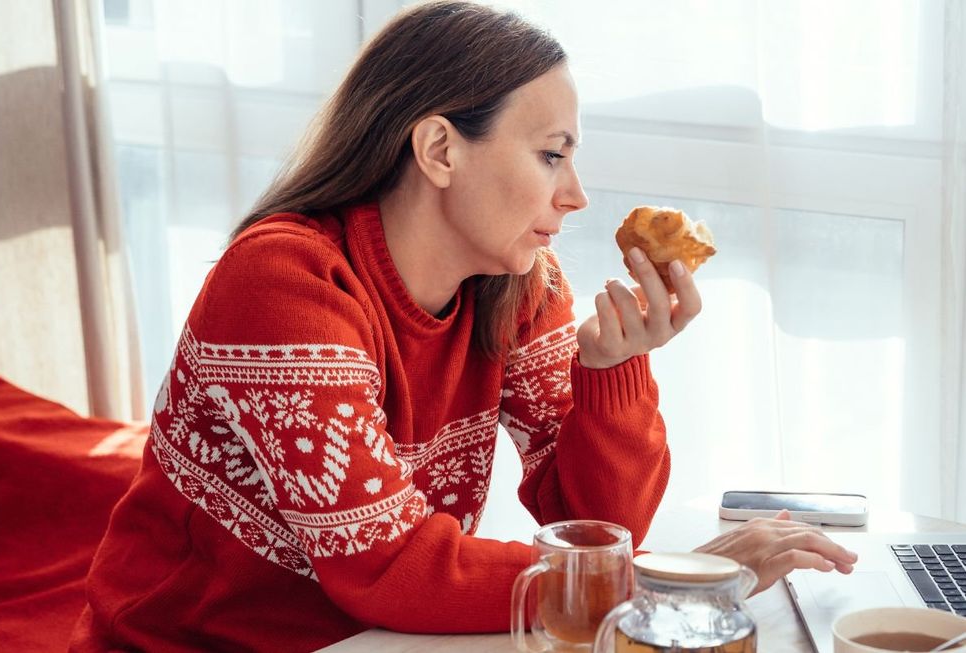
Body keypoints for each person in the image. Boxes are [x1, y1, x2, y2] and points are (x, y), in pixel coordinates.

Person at [70, 2, 857, 651]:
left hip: (381, 639)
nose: (576, 194)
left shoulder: (516, 281)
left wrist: (612, 368)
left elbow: (593, 527)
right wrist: (676, 576)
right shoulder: (283, 283)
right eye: (552, 154)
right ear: (441, 148)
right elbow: (389, 566)